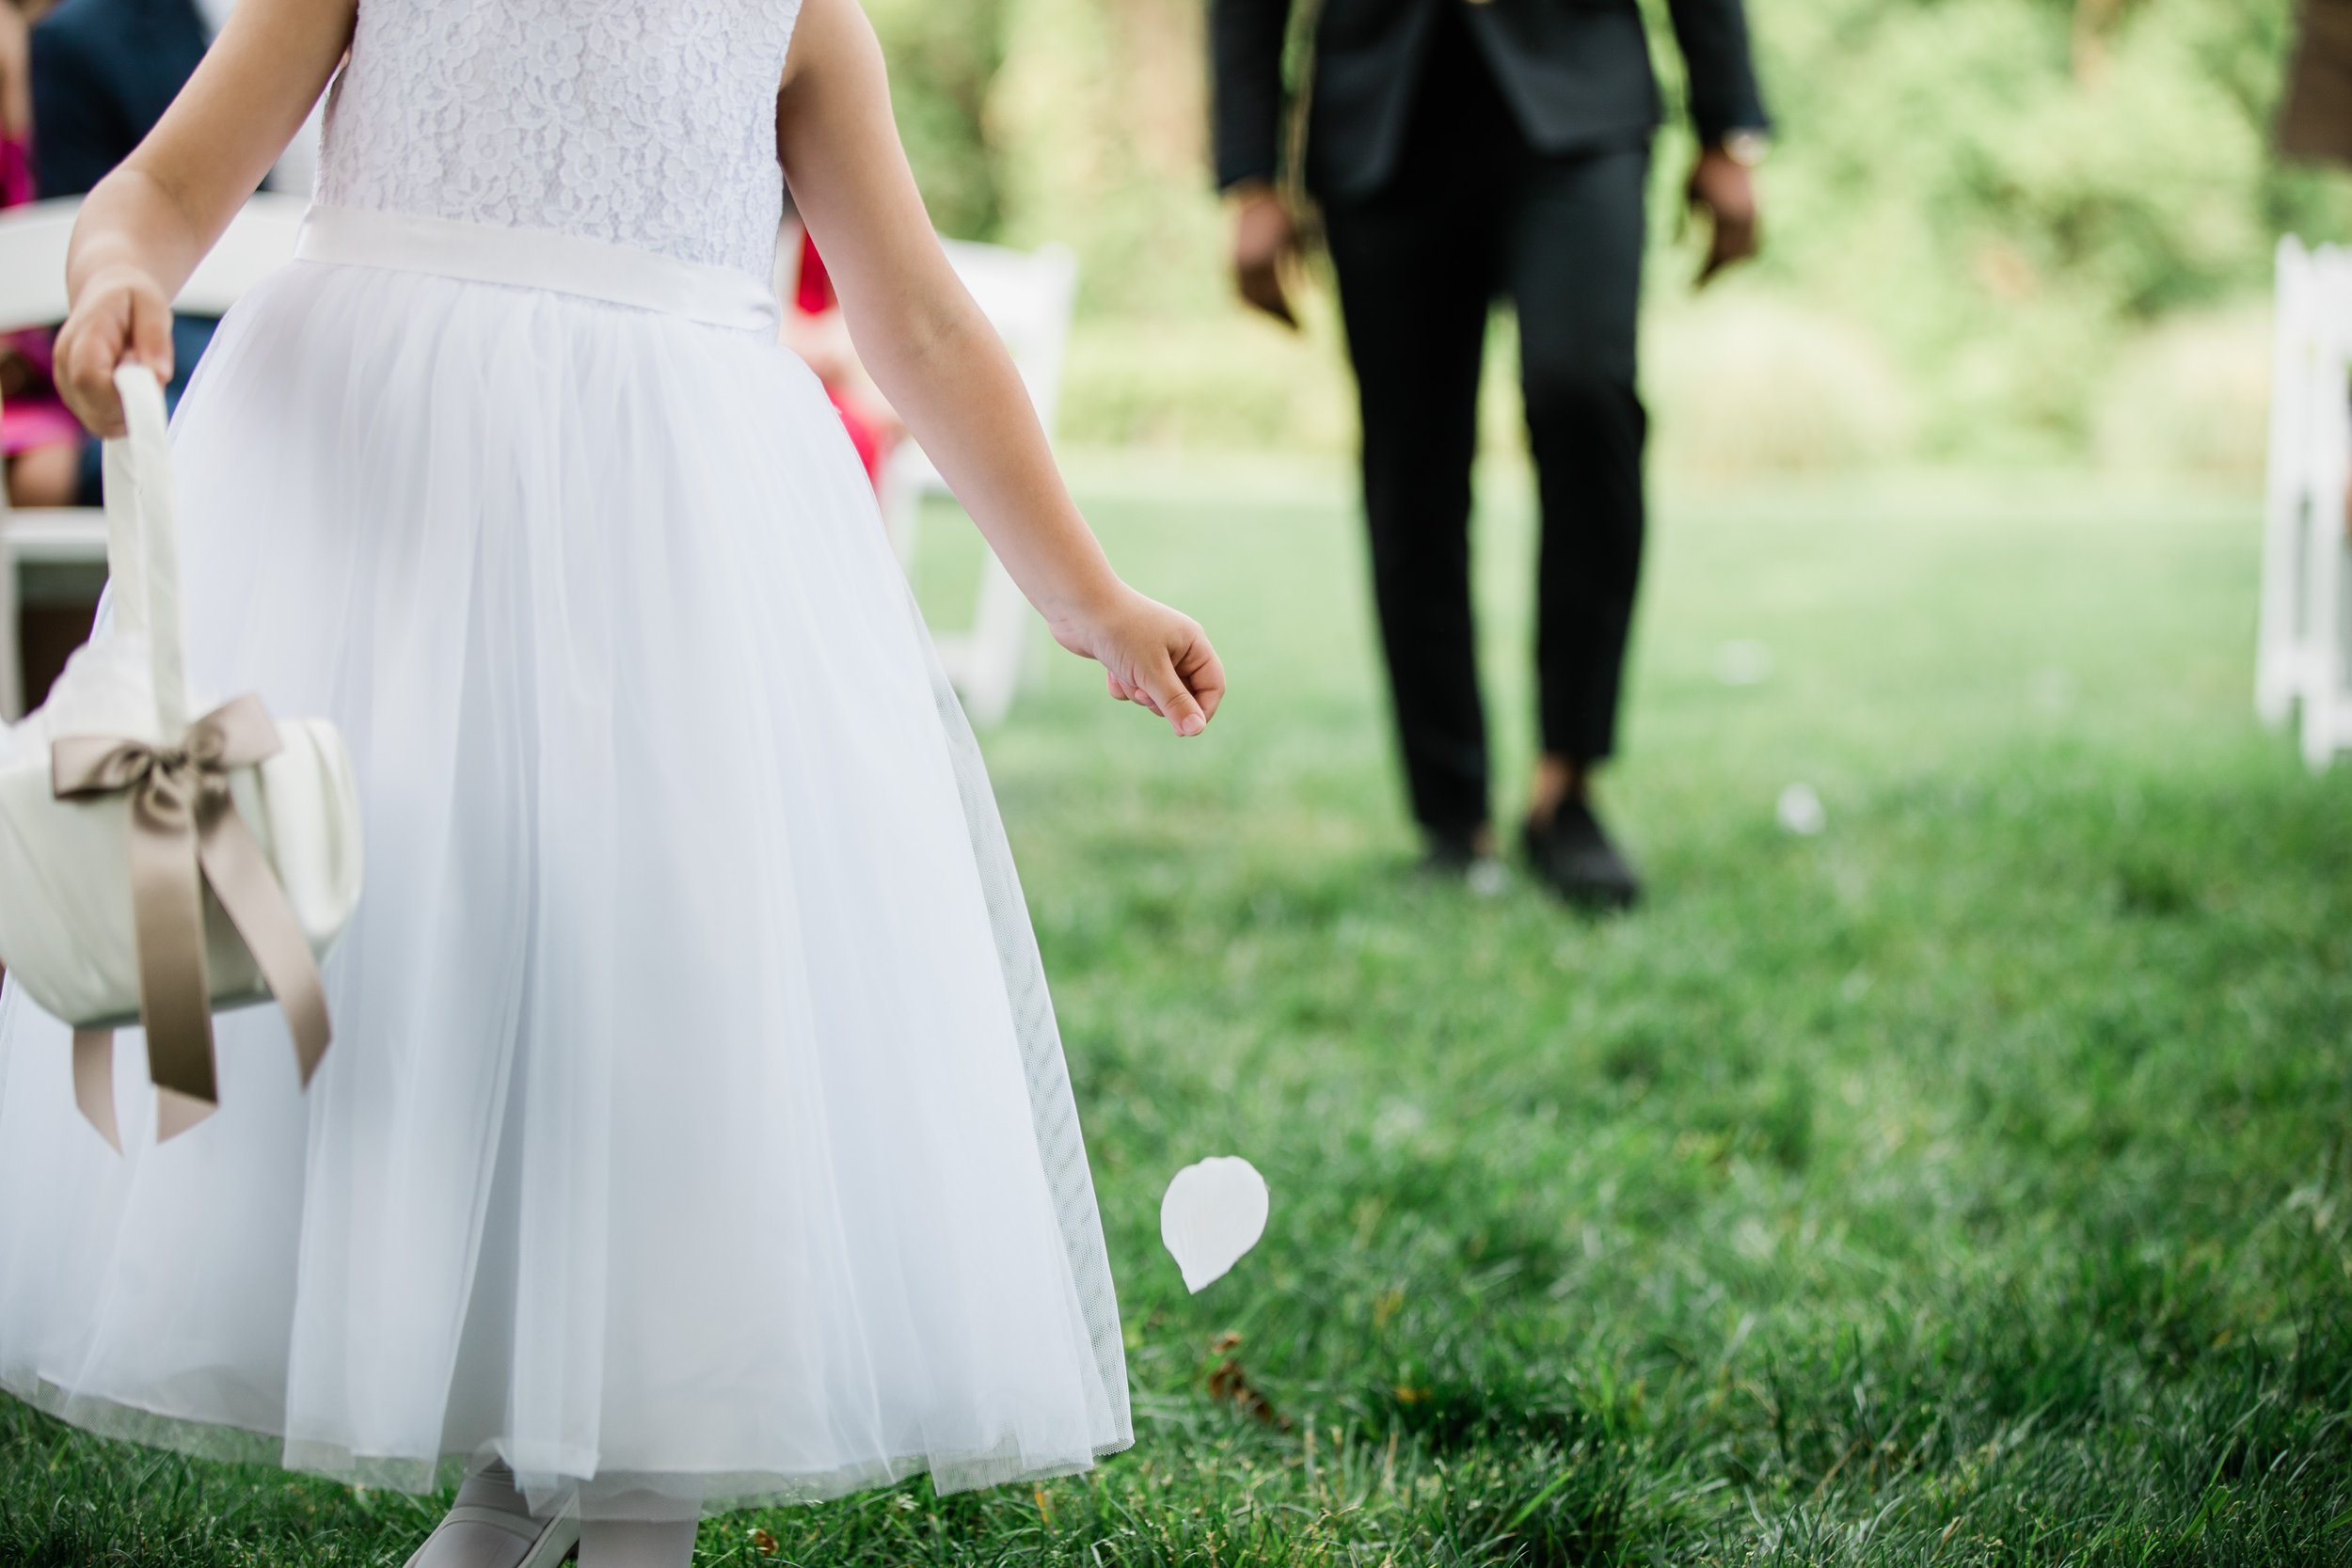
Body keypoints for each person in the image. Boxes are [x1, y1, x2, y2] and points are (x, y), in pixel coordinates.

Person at [0, 1, 1225, 1565]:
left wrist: (1087, 596)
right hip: (395, 527)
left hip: (680, 544)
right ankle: (516, 1473)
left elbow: (915, 318)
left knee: (672, 1004)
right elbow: (169, 187)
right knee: (447, 982)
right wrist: (119, 270)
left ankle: (645, 1490)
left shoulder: (797, 18)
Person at [1211, 0, 1769, 908]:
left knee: (1585, 396)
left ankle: (1567, 786)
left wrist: (1730, 124)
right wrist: (1248, 174)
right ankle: (1449, 814)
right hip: (1378, 118)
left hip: (1580, 104)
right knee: (1410, 467)